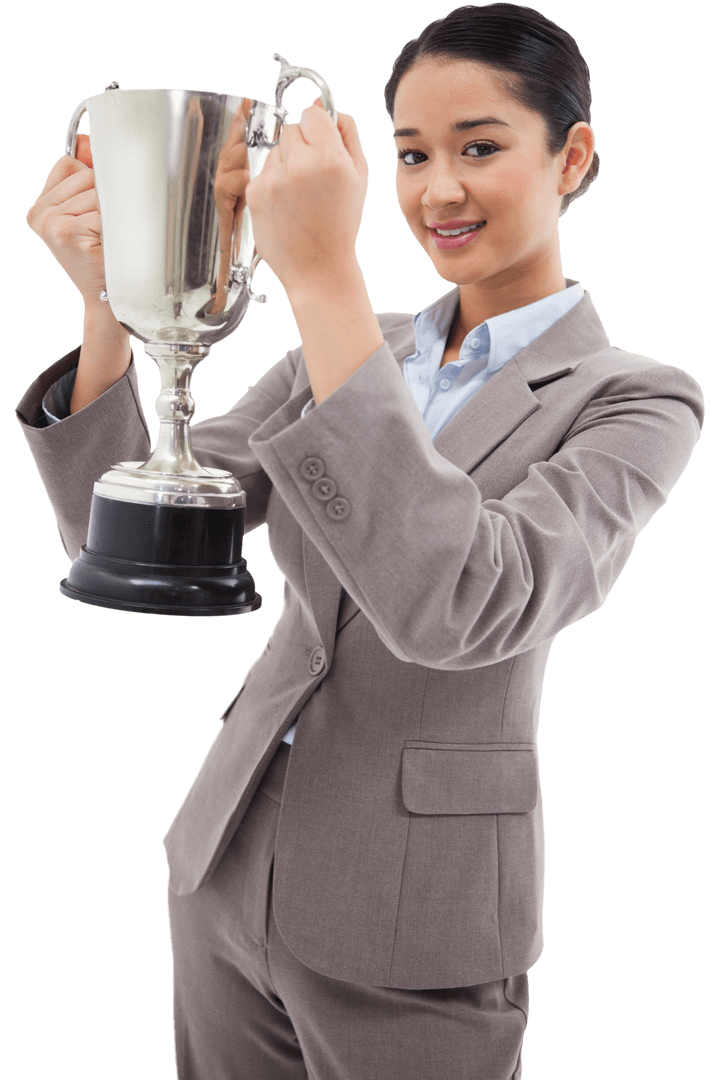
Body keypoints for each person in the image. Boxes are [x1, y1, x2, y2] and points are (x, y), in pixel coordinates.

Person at [17, 4, 704, 1078]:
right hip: (227, 858)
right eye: (412, 155)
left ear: (570, 156)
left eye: (480, 147)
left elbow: (466, 603)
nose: (438, 191)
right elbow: (144, 545)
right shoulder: (356, 350)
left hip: (414, 911)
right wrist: (111, 302)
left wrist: (323, 278)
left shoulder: (638, 401)